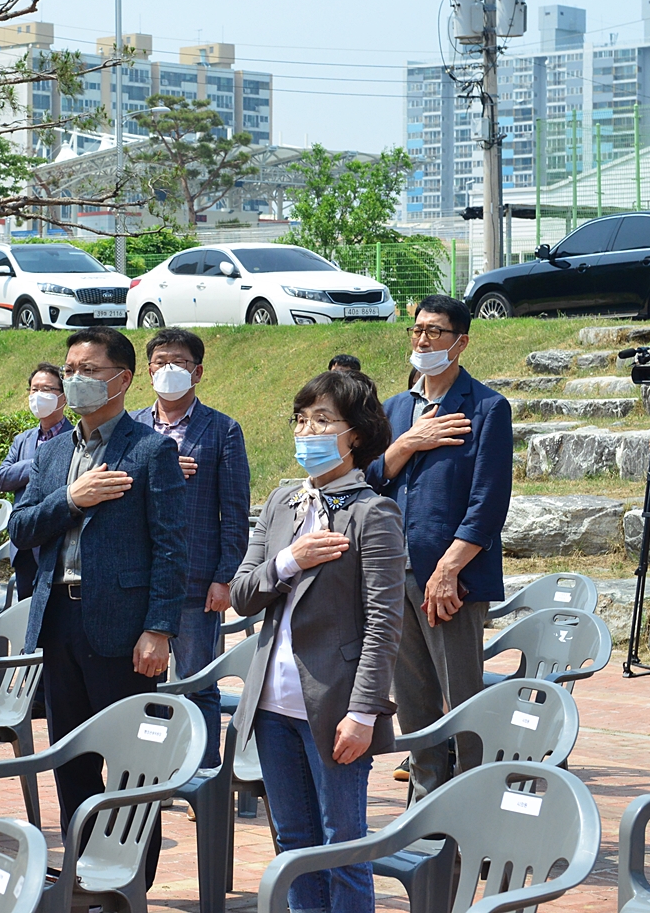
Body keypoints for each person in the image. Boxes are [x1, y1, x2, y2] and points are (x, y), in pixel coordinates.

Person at [12, 327, 187, 884]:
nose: (75, 380)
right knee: (71, 757)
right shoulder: (56, 449)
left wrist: (158, 629)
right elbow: (20, 527)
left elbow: (170, 547)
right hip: (59, 621)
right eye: (71, 369)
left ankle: (131, 878)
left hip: (124, 628)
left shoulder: (149, 449)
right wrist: (71, 498)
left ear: (122, 379)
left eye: (88, 370)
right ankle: (85, 875)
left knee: (134, 763)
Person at [232, 369, 403, 913]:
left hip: (334, 708)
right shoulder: (284, 502)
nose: (308, 431)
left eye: (323, 420)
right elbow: (242, 592)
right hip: (272, 706)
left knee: (343, 849)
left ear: (355, 434)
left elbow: (383, 624)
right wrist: (290, 560)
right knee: (292, 844)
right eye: (301, 419)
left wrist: (364, 711)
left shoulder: (372, 513)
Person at [366, 294, 512, 798]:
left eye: (435, 332)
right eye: (417, 331)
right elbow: (367, 481)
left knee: (463, 700)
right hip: (394, 572)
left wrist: (449, 569)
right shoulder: (396, 409)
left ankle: (473, 806)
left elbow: (488, 501)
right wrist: (406, 443)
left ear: (461, 342)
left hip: (450, 580)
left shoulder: (487, 407)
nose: (422, 340)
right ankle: (427, 808)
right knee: (413, 700)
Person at [128, 328, 250, 771]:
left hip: (197, 579)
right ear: (147, 370)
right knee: (143, 680)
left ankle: (203, 772)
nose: (168, 369)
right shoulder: (132, 426)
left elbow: (234, 512)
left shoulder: (222, 430)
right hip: (136, 575)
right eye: (161, 361)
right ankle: (151, 768)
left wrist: (224, 577)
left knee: (198, 680)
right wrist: (156, 469)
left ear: (197, 371)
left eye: (179, 362)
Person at [0, 363, 72, 598]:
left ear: (64, 396)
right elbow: (2, 478)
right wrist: (39, 461)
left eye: (47, 390)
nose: (38, 396)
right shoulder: (22, 440)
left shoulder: (76, 437)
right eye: (34, 390)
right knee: (26, 614)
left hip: (59, 543)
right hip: (25, 544)